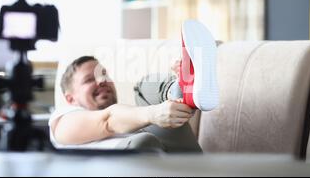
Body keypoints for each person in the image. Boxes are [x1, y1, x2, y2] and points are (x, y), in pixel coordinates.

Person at [50, 20, 218, 152]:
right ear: (70, 98)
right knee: (144, 142)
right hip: (125, 170)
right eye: (89, 80)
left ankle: (182, 89)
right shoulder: (61, 120)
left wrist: (166, 106)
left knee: (143, 89)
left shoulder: (133, 115)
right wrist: (155, 113)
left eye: (103, 74)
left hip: (185, 162)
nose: (101, 80)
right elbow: (107, 120)